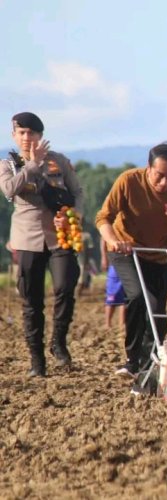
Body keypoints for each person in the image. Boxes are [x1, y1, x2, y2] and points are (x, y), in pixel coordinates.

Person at [96, 142, 167, 394]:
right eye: (159, 175)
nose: (165, 182)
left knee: (158, 312)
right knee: (137, 296)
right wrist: (113, 241)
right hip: (126, 250)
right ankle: (133, 359)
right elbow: (103, 218)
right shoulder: (128, 181)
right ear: (148, 168)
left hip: (159, 254)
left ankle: (150, 368)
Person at [0, 112, 83, 376]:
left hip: (60, 235)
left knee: (65, 286)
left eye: (32, 133)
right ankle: (37, 360)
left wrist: (76, 215)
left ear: (40, 135)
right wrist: (32, 166)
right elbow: (9, 189)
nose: (27, 138)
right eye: (22, 133)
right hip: (27, 238)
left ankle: (58, 341)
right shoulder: (8, 165)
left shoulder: (58, 161)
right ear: (14, 135)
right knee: (31, 301)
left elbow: (78, 192)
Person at [100, 238, 126, 330]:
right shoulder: (110, 225)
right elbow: (103, 239)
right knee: (112, 293)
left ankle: (121, 323)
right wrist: (104, 257)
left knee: (125, 294)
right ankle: (107, 323)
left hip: (128, 260)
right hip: (114, 260)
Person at [76, 228, 95, 297]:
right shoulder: (69, 233)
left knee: (81, 277)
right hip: (73, 259)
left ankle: (78, 292)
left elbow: (90, 248)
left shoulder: (87, 236)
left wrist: (87, 260)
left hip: (82, 260)